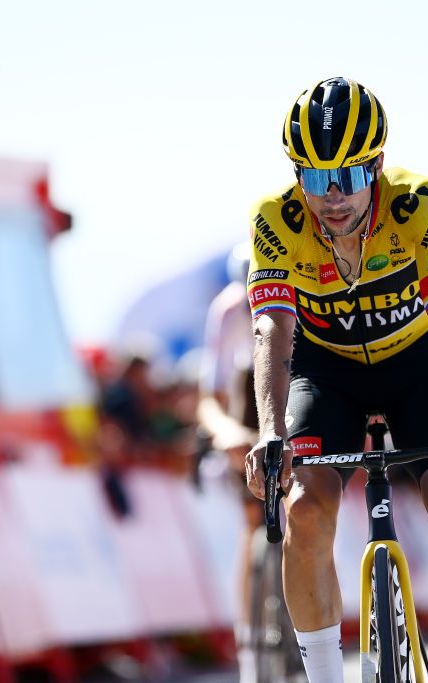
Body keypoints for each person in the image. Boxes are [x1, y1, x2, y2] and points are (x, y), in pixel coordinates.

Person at [244, 77, 428, 683]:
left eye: (352, 177)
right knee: (305, 509)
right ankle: (325, 674)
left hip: (415, 367)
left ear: (378, 165)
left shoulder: (420, 203)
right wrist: (269, 433)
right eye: (314, 178)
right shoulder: (273, 220)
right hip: (325, 371)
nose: (333, 197)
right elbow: (271, 329)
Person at [195, 242, 261, 682]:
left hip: (295, 387)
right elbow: (209, 400)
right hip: (245, 399)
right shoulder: (228, 310)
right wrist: (229, 436)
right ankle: (251, 643)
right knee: (253, 518)